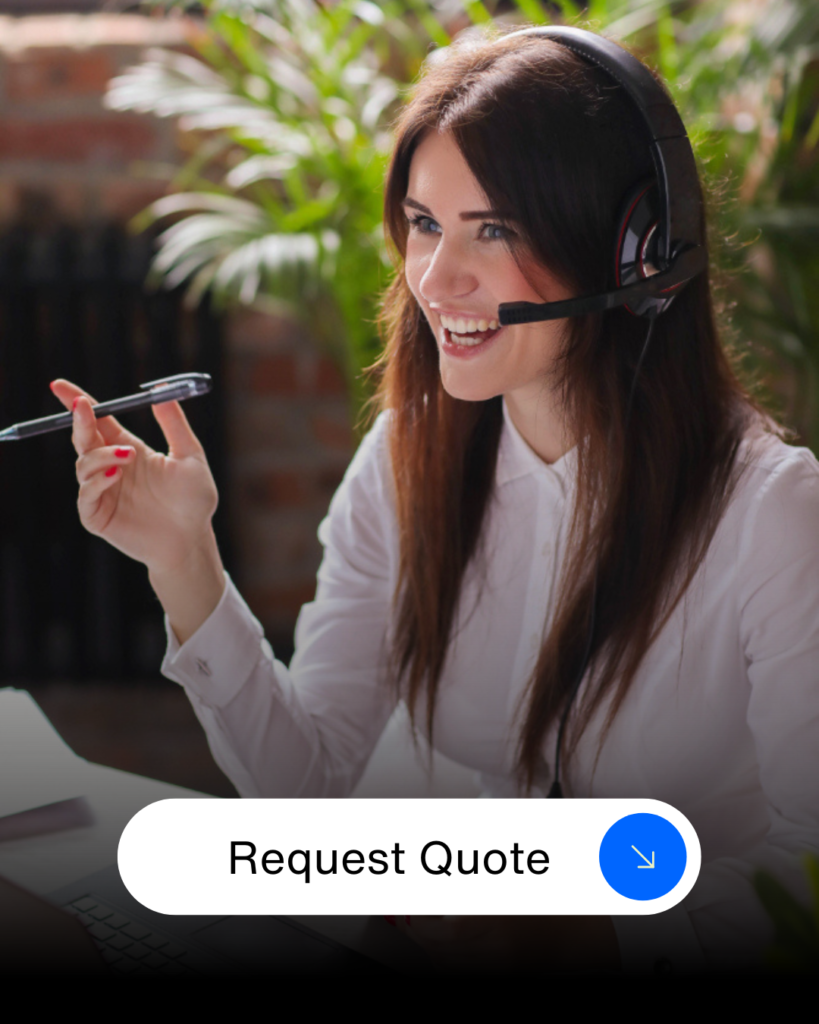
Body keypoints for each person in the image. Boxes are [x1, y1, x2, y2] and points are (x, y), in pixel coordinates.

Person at [51, 26, 819, 975]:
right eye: (423, 223)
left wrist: (601, 934)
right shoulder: (406, 455)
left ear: (632, 256)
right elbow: (313, 795)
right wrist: (185, 565)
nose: (435, 279)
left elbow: (806, 880)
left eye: (492, 229)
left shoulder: (771, 517)